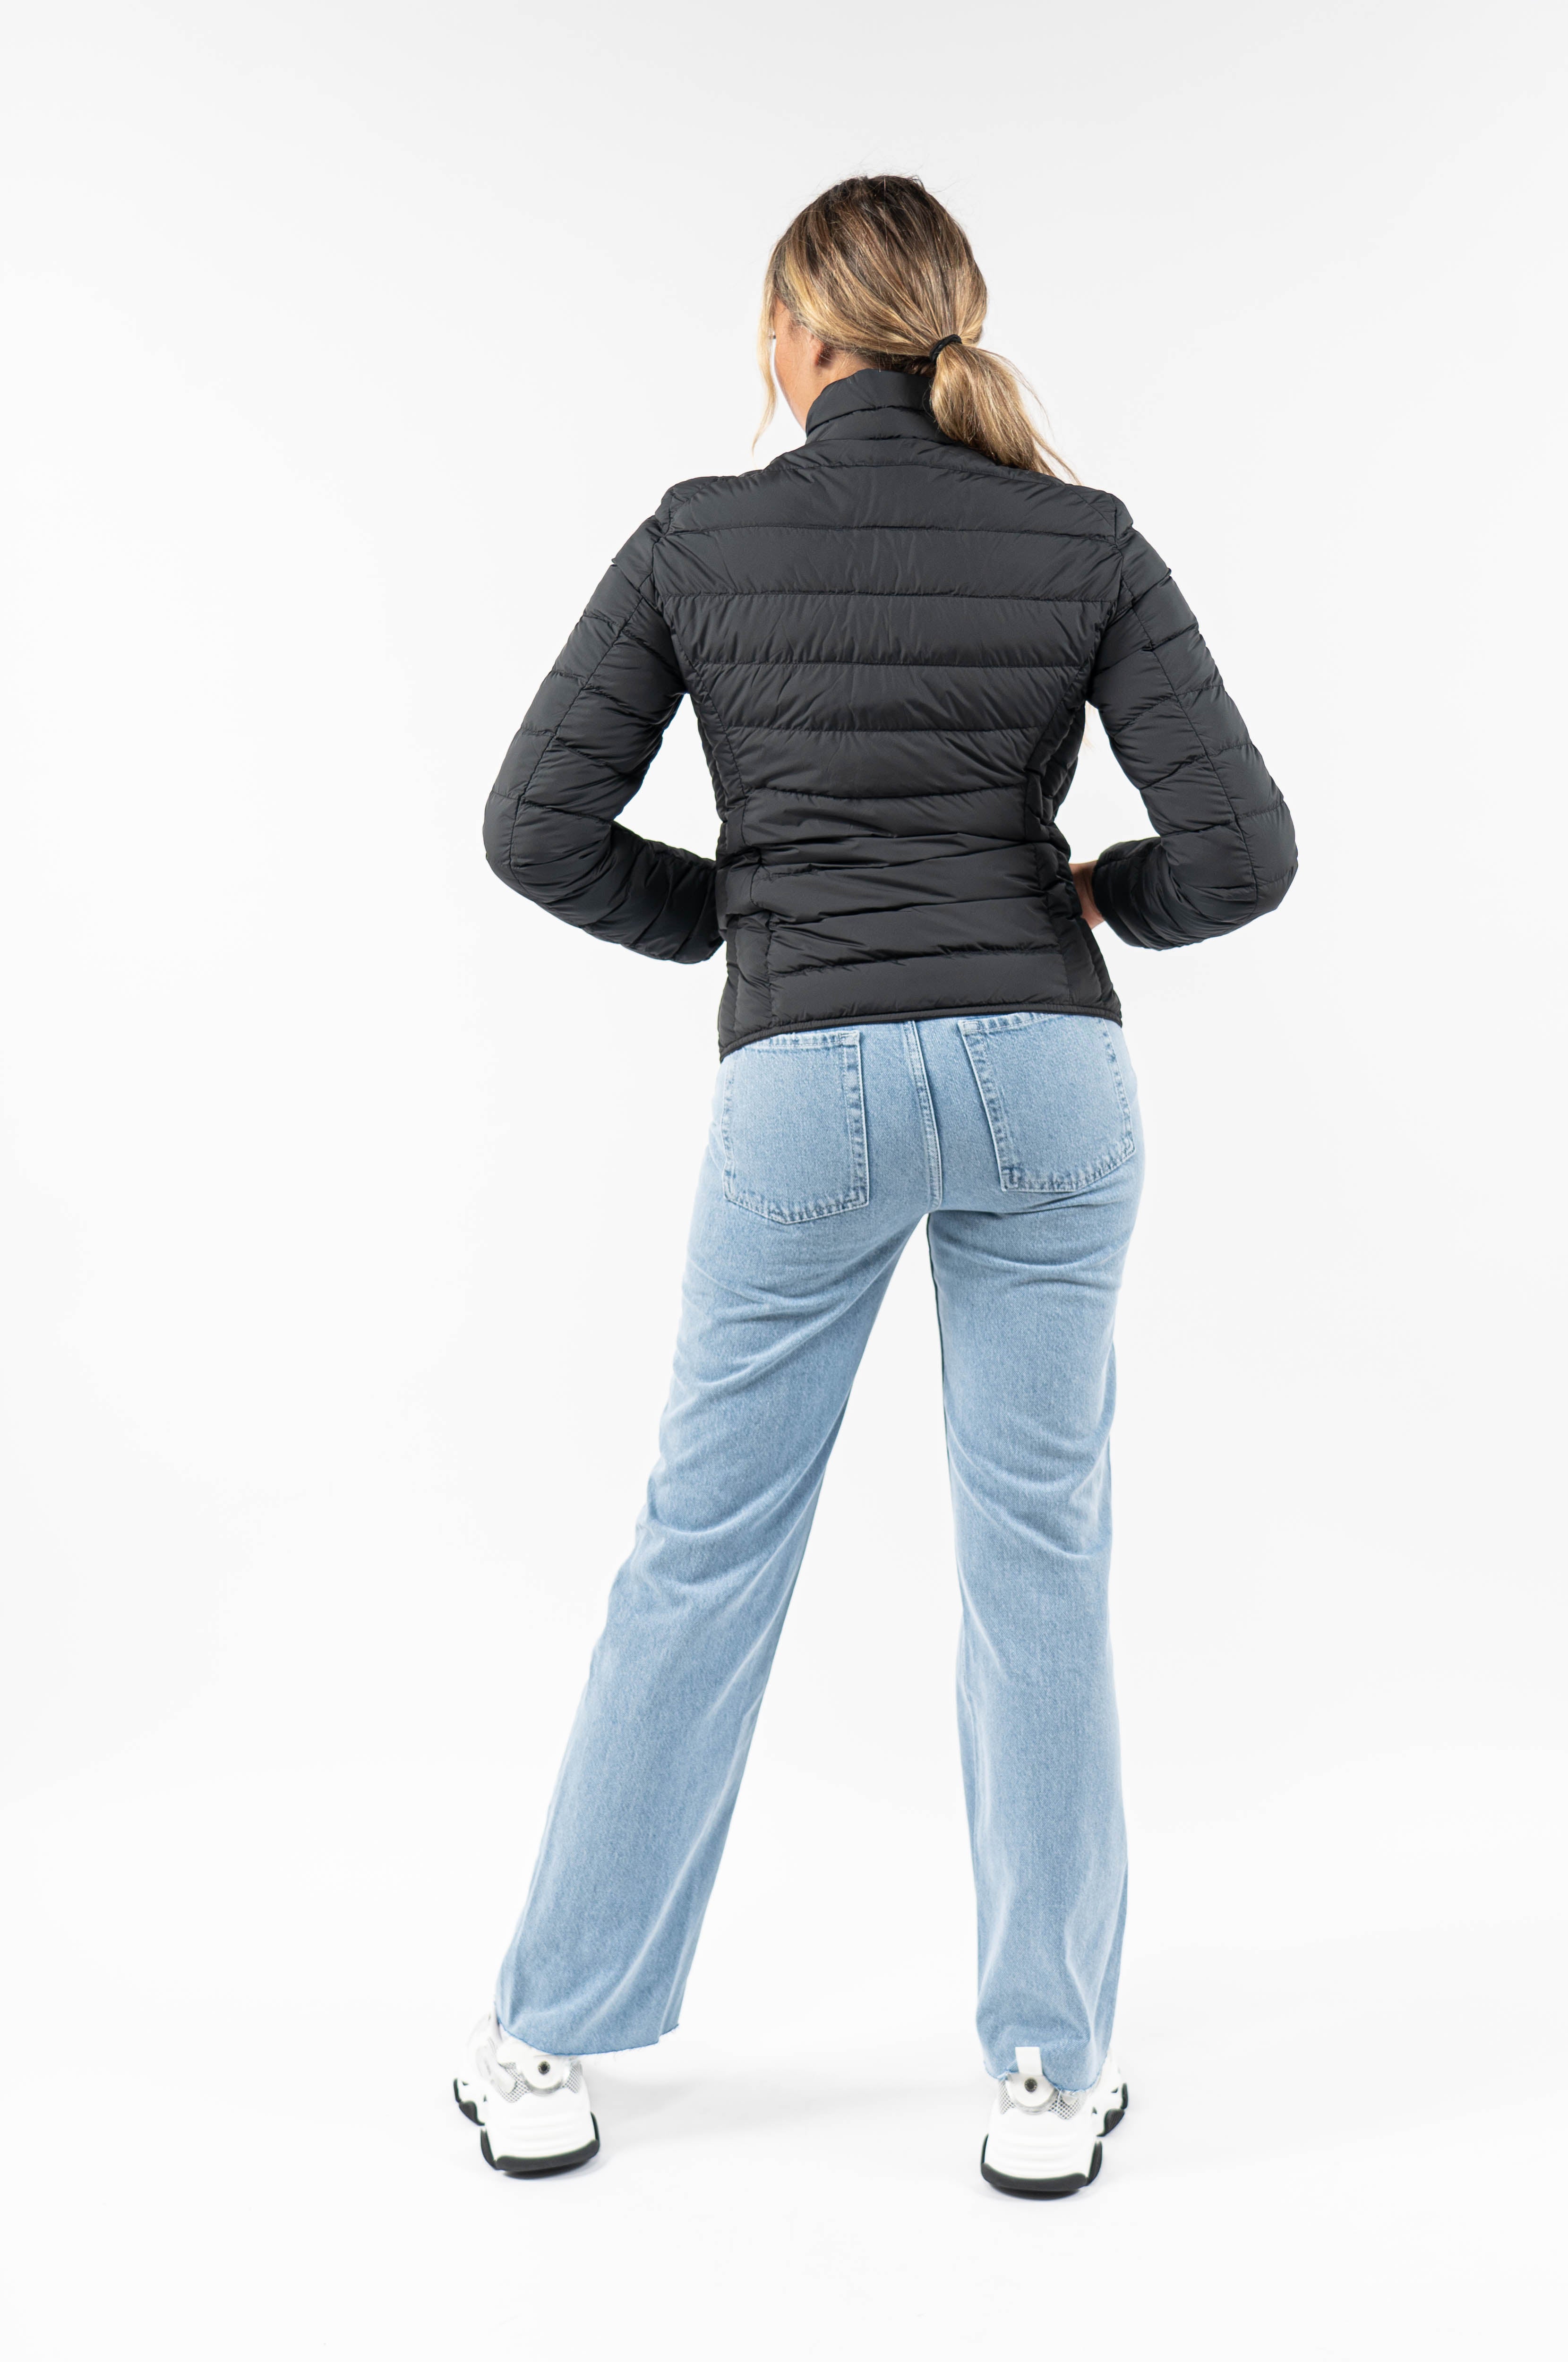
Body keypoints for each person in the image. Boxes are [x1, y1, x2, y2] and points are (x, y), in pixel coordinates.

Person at [456, 174, 1297, 2197]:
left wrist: (745, 924)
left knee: (702, 1552)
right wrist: (1102, 895)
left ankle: (551, 2040)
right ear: (944, 335)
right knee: (1041, 1560)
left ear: (792, 338)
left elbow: (533, 826)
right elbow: (1247, 853)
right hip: (1047, 1073)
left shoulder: (697, 535)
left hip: (804, 1083)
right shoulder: (1087, 539)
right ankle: (1050, 2076)